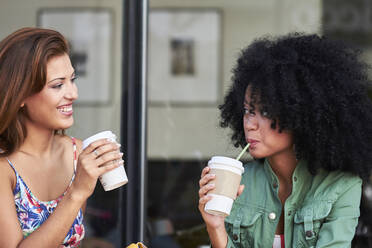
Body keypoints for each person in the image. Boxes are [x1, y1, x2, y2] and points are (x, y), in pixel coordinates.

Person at [198, 33, 372, 247]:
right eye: (247, 110)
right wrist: (215, 225)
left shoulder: (341, 186)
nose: (250, 124)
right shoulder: (237, 185)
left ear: (299, 114)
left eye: (265, 111)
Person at [0, 27, 124, 247]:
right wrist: (78, 190)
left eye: (72, 80)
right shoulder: (4, 168)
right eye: (58, 85)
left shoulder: (77, 154)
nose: (73, 94)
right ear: (20, 95)